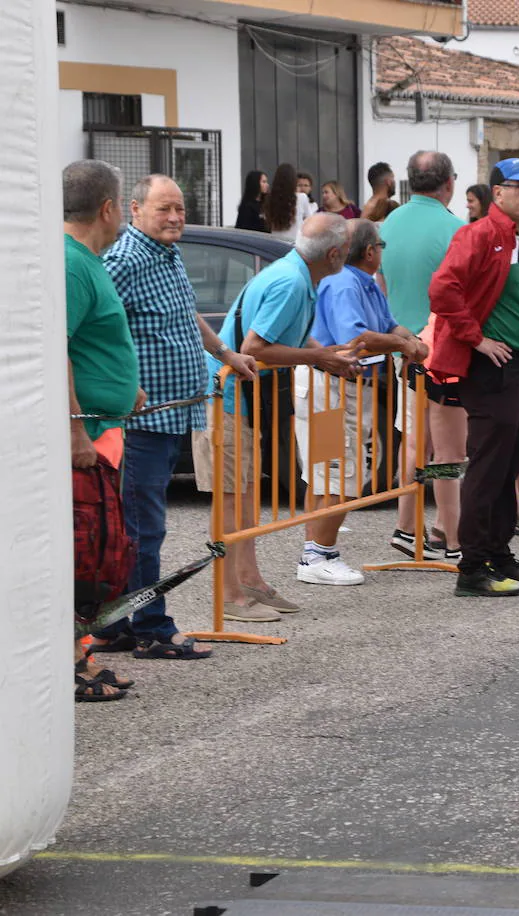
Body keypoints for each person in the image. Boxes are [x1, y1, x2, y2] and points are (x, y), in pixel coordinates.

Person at [87, 174, 256, 660]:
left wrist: (226, 352)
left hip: (169, 418)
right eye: (164, 209)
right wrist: (122, 381)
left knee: (139, 527)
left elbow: (185, 316)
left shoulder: (167, 254)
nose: (176, 217)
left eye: (180, 208)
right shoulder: (125, 260)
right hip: (141, 422)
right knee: (143, 529)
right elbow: (94, 330)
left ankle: (118, 623)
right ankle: (152, 627)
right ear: (134, 209)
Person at [198, 214, 361, 621]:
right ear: (336, 254)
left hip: (245, 398)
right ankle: (230, 595)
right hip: (229, 397)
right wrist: (319, 356)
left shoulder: (296, 274)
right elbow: (257, 345)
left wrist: (325, 356)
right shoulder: (291, 281)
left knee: (247, 496)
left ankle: (249, 580)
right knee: (233, 499)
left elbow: (287, 335)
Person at [428, 157, 519, 598]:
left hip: (517, 363)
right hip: (491, 367)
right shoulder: (479, 233)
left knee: (505, 463)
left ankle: (499, 554)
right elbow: (442, 288)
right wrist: (476, 338)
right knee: (487, 465)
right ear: (497, 193)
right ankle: (472, 566)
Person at [296, 218, 426, 585]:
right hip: (331, 388)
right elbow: (355, 337)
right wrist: (404, 345)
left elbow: (389, 324)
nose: (382, 252)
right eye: (380, 246)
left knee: (328, 475)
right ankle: (319, 555)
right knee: (336, 475)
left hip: (339, 388)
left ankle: (315, 553)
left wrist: (410, 339)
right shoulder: (343, 284)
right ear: (370, 251)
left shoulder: (363, 283)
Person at [64, 159, 141, 701]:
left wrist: (123, 387)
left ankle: (80, 654)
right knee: (83, 557)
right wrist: (75, 430)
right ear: (109, 208)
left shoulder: (87, 262)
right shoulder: (71, 265)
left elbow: (91, 346)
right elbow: (55, 349)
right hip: (83, 437)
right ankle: (70, 662)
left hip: (101, 428)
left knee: (97, 556)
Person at [377, 151, 465, 561]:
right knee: (448, 445)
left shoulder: (389, 222)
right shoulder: (454, 228)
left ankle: (405, 525)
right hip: (442, 348)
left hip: (401, 346)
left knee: (413, 439)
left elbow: (378, 280)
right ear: (449, 183)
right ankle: (449, 534)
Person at [264, 163, 311, 242]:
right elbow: (310, 220)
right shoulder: (302, 197)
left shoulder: (270, 199)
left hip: (276, 243)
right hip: (296, 243)